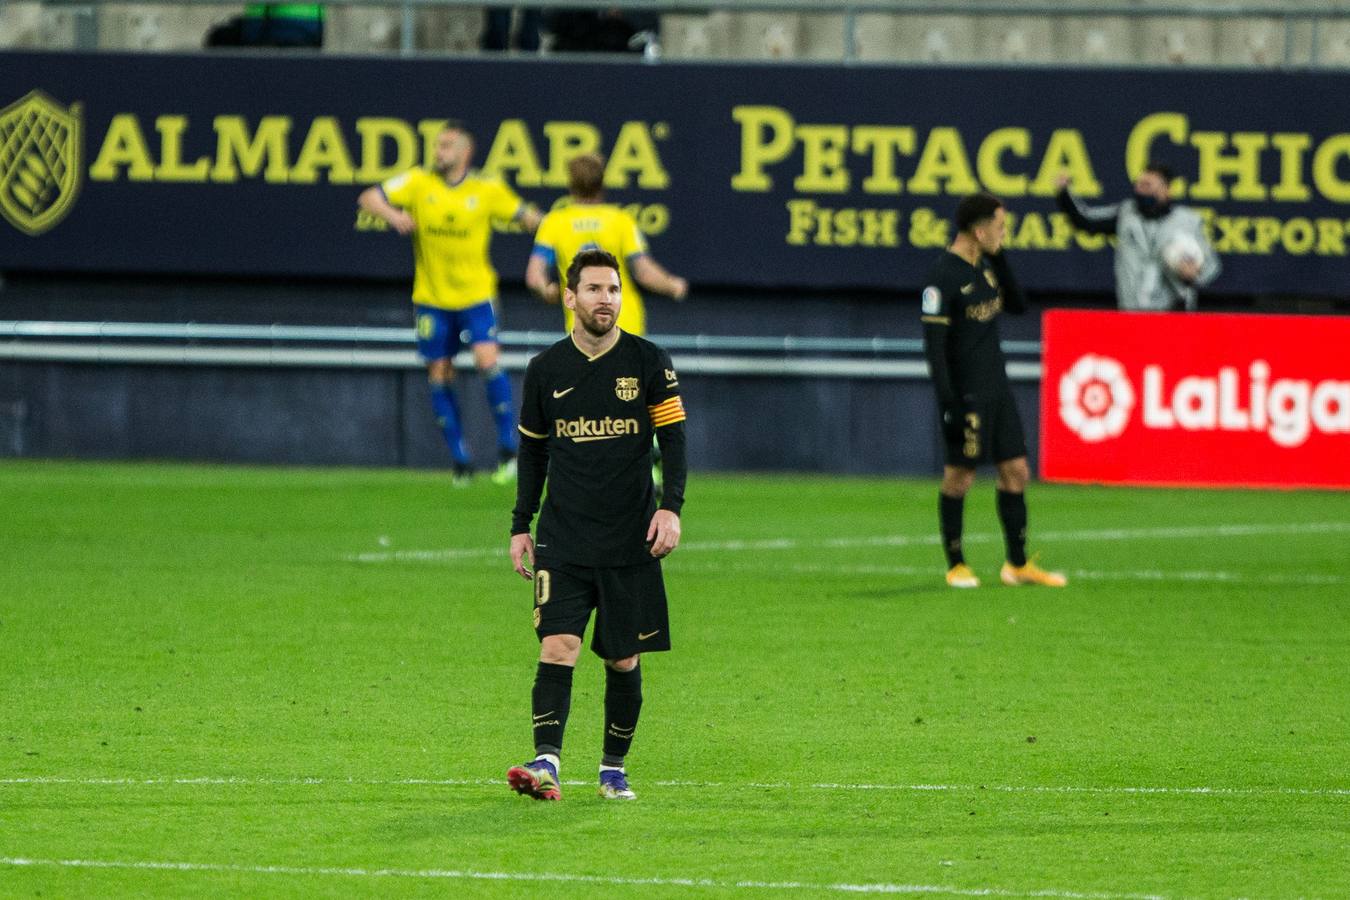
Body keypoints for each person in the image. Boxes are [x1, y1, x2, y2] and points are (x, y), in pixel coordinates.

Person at [506, 248, 687, 802]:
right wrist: (521, 524)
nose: (605, 299)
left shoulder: (649, 361)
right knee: (558, 645)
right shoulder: (545, 370)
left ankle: (612, 768)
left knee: (622, 656)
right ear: (570, 297)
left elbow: (674, 440)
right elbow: (533, 454)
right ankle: (546, 763)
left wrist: (671, 507)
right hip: (562, 539)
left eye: (613, 290)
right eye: (593, 289)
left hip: (630, 539)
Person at [358, 121, 540, 485]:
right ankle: (460, 460)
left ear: (465, 152)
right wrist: (393, 215)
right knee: (439, 371)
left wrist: (554, 229)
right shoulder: (417, 182)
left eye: (446, 146)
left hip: (476, 295)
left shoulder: (486, 189)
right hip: (432, 298)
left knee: (487, 359)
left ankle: (508, 448)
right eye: (437, 145)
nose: (438, 152)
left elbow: (526, 216)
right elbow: (368, 197)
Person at [920, 192, 1066, 590]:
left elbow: (1018, 303)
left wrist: (999, 257)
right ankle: (957, 565)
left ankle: (1016, 564)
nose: (1004, 233)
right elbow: (934, 349)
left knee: (1017, 472)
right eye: (1000, 227)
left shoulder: (985, 267)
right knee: (959, 477)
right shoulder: (943, 276)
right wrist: (947, 404)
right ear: (979, 230)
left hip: (997, 390)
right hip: (966, 395)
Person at [525, 152, 687, 337]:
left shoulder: (554, 222)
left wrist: (546, 290)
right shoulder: (621, 220)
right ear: (602, 183)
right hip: (625, 325)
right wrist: (672, 285)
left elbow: (534, 276)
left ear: (571, 184)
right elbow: (643, 272)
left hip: (583, 331)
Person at [1057, 162, 1220, 311]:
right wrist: (1064, 194)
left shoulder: (1187, 221)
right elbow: (1085, 221)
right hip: (1132, 313)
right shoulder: (1127, 214)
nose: (1140, 190)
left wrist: (1194, 273)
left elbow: (1211, 265)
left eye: (1147, 185)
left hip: (1173, 314)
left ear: (1166, 189)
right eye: (1139, 185)